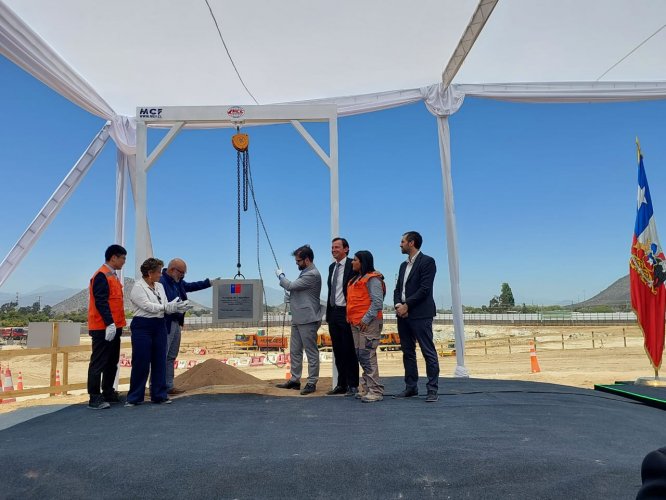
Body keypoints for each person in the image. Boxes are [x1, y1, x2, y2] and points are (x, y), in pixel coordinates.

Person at [125, 258, 190, 406]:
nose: (161, 275)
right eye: (159, 272)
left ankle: (159, 395)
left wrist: (176, 306)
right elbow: (148, 306)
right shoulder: (138, 287)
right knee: (141, 361)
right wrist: (167, 308)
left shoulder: (159, 286)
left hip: (160, 324)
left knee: (160, 360)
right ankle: (135, 397)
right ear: (150, 273)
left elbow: (164, 303)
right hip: (143, 325)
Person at [393, 231, 440, 402]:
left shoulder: (427, 262)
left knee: (428, 351)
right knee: (408, 352)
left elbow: (425, 289)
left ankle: (432, 389)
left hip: (420, 314)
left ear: (411, 243)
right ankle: (411, 387)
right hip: (403, 314)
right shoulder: (402, 266)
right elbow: (398, 289)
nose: (400, 244)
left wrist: (407, 305)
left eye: (402, 241)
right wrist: (399, 305)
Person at [159, 258, 212, 395]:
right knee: (162, 356)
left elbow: (191, 286)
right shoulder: (161, 282)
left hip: (176, 322)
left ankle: (169, 386)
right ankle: (157, 386)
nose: (183, 276)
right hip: (165, 323)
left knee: (171, 356)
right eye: (182, 273)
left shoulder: (178, 282)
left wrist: (208, 283)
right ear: (172, 270)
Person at [275, 245, 322, 395]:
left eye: (298, 261)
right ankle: (295, 380)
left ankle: (312, 382)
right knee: (295, 351)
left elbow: (290, 285)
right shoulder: (305, 273)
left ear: (307, 260)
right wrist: (292, 297)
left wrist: (281, 276)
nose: (296, 263)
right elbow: (298, 291)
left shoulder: (312, 274)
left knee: (311, 351)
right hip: (298, 317)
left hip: (308, 319)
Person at [87, 244, 127, 410]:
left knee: (112, 361)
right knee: (99, 361)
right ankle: (94, 396)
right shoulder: (102, 275)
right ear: (113, 257)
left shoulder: (113, 276)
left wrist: (114, 324)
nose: (124, 261)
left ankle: (108, 391)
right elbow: (101, 301)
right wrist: (109, 323)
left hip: (114, 326)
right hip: (102, 327)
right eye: (123, 258)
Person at [346, 250, 385, 403]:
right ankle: (367, 388)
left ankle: (375, 390)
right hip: (356, 323)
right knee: (361, 355)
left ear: (362, 262)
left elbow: (377, 302)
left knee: (368, 355)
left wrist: (366, 318)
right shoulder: (356, 279)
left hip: (368, 324)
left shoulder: (373, 279)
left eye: (355, 260)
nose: (352, 262)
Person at [325, 237, 359, 396]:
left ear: (346, 249)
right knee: (338, 350)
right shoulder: (332, 267)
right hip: (333, 313)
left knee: (349, 350)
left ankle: (353, 385)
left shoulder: (353, 265)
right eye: (332, 247)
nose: (333, 250)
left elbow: (369, 274)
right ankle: (341, 384)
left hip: (347, 312)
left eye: (337, 247)